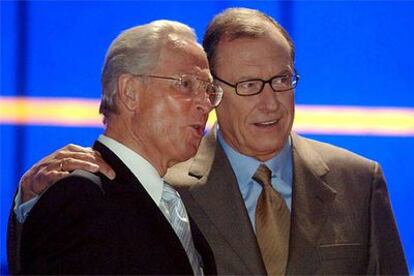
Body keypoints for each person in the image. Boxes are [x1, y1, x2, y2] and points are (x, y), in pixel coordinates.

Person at [9, 8, 408, 275]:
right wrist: (29, 202)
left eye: (283, 80)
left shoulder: (359, 180)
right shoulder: (164, 182)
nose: (270, 101)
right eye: (249, 84)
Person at [7, 19, 223, 274]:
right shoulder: (82, 197)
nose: (205, 104)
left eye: (208, 90)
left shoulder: (168, 199)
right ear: (130, 92)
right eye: (186, 84)